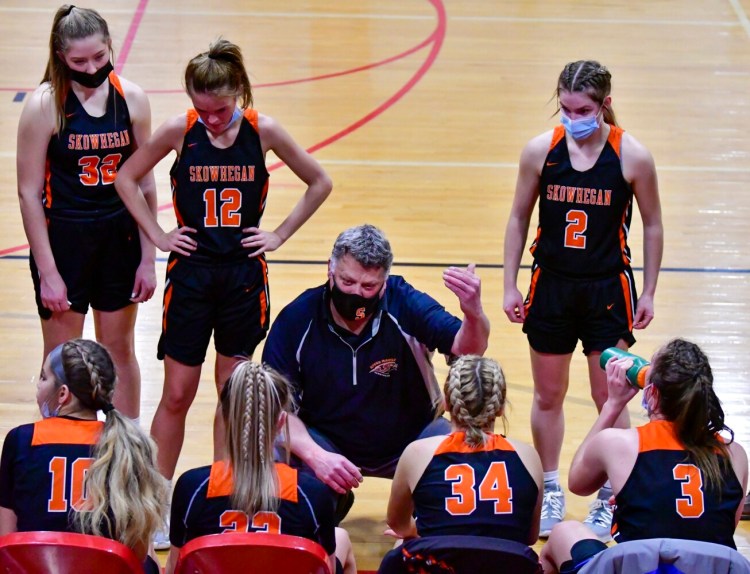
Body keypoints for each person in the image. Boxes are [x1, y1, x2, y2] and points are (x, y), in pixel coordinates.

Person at [114, 38, 332, 500]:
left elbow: (320, 181)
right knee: (176, 393)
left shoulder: (263, 131)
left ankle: (220, 496)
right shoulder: (180, 130)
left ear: (240, 93)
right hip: (191, 276)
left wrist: (279, 234)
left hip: (242, 278)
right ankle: (154, 500)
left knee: (233, 396)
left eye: (220, 110)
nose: (211, 119)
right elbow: (125, 178)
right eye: (203, 110)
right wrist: (158, 234)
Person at [502, 59, 664, 538]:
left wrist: (649, 289)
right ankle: (551, 486)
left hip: (606, 291)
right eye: (567, 107)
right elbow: (517, 217)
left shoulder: (632, 156)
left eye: (584, 108)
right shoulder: (540, 151)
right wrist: (510, 282)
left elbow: (652, 224)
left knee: (608, 394)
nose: (574, 116)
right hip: (550, 286)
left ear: (605, 104)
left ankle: (609, 494)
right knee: (548, 394)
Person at [262, 224, 490, 514]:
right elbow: (276, 409)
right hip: (327, 443)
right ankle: (329, 504)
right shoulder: (297, 319)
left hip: (412, 439)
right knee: (275, 450)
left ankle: (425, 537)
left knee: (461, 454)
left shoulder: (404, 302)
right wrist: (315, 455)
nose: (356, 294)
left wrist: (474, 314)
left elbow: (469, 349)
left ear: (384, 282)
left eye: (368, 287)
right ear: (329, 270)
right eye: (347, 282)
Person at [16, 5, 157, 420]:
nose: (92, 66)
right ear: (61, 56)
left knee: (118, 350)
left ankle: (127, 456)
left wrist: (149, 258)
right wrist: (48, 272)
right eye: (79, 61)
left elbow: (146, 183)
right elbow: (28, 194)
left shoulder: (132, 98)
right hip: (65, 240)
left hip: (120, 237)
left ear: (110, 46)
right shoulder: (44, 104)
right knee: (62, 359)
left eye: (99, 56)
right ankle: (54, 453)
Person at [539, 338, 748, 574]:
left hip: (639, 568)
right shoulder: (735, 454)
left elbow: (578, 484)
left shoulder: (620, 443)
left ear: (652, 392)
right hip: (709, 569)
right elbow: (721, 526)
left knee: (563, 532)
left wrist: (613, 404)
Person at [166, 361, 356, 574]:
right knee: (342, 538)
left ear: (225, 419)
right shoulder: (312, 494)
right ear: (282, 422)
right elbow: (325, 569)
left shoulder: (192, 488)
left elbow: (176, 567)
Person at [0, 339, 168, 573]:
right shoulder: (129, 444)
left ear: (62, 394)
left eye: (43, 377)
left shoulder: (21, 440)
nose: (38, 385)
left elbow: (7, 543)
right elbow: (138, 553)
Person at [385, 355, 542, 546]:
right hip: (506, 565)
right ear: (500, 407)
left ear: (447, 403)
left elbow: (397, 524)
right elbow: (530, 537)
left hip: (440, 565)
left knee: (402, 544)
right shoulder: (528, 456)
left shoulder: (417, 453)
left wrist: (417, 529)